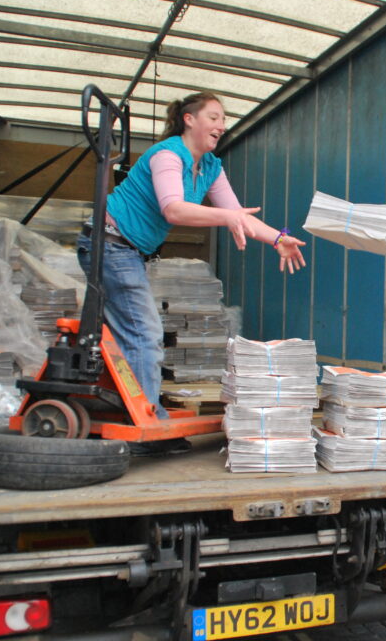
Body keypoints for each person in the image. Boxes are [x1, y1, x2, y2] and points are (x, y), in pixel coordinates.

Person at [77, 92, 306, 452]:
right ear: (189, 119)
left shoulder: (211, 166)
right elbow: (175, 210)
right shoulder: (168, 155)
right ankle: (144, 426)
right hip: (109, 244)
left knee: (131, 333)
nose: (221, 125)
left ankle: (126, 410)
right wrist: (230, 218)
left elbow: (237, 213)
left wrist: (278, 238)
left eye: (223, 119)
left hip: (127, 251)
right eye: (214, 117)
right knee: (144, 332)